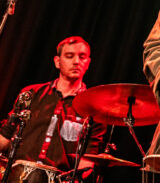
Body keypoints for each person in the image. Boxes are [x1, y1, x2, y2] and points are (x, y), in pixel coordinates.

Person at [0, 37, 105, 183]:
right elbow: (5, 137)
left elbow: (87, 162)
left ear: (88, 62)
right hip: (16, 176)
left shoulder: (93, 108)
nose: (76, 61)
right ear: (57, 61)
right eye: (69, 56)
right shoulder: (31, 93)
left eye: (82, 57)